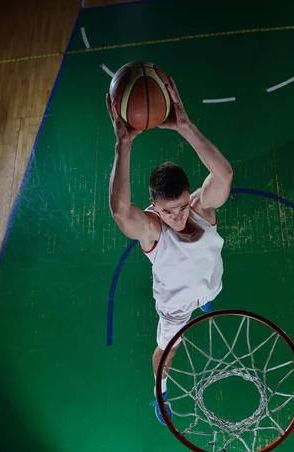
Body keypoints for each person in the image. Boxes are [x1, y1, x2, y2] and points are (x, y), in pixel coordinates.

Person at [106, 77, 233, 424]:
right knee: (167, 350)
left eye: (179, 206)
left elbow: (223, 176)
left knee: (207, 292)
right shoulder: (153, 231)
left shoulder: (200, 209)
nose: (177, 217)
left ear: (187, 194)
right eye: (167, 211)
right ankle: (159, 394)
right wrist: (123, 145)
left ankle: (202, 299)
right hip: (175, 307)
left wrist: (186, 126)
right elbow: (120, 212)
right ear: (154, 207)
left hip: (208, 284)